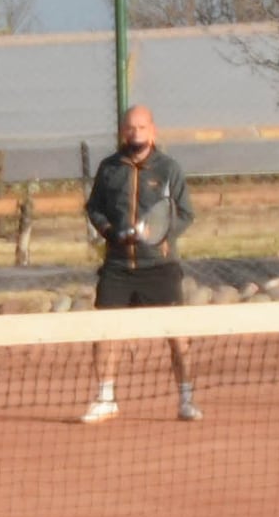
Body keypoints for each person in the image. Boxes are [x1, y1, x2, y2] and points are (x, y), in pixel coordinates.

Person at [76, 101, 201, 425]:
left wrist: (158, 235)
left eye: (141, 127)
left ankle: (186, 399)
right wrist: (108, 230)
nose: (136, 133)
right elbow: (95, 208)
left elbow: (185, 214)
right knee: (107, 332)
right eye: (130, 128)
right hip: (118, 267)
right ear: (123, 132)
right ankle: (106, 398)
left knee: (178, 334)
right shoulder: (109, 168)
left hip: (159, 267)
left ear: (153, 130)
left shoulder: (169, 169)